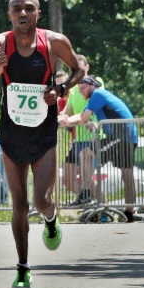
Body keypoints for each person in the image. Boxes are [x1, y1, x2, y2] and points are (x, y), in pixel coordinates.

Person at [0, 0, 84, 288]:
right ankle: (23, 269)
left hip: (43, 132)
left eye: (28, 9)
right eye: (16, 9)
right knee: (20, 205)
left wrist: (61, 92)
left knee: (41, 200)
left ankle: (50, 220)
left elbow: (79, 69)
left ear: (38, 14)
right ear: (9, 14)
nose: (22, 13)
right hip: (11, 132)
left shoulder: (53, 42)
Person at [60, 76, 138, 222]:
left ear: (93, 86)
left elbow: (82, 118)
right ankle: (130, 211)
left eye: (83, 88)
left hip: (120, 136)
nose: (81, 92)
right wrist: (71, 119)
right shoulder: (96, 98)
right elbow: (82, 116)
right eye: (79, 89)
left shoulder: (98, 94)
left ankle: (87, 192)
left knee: (86, 153)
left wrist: (66, 120)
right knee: (127, 175)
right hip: (127, 136)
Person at [59, 55, 102, 205]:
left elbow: (88, 110)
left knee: (88, 178)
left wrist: (69, 119)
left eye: (79, 69)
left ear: (87, 68)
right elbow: (66, 111)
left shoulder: (96, 82)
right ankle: (87, 201)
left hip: (93, 137)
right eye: (73, 69)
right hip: (78, 139)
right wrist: (62, 117)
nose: (76, 72)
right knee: (67, 178)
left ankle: (102, 205)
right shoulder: (73, 90)